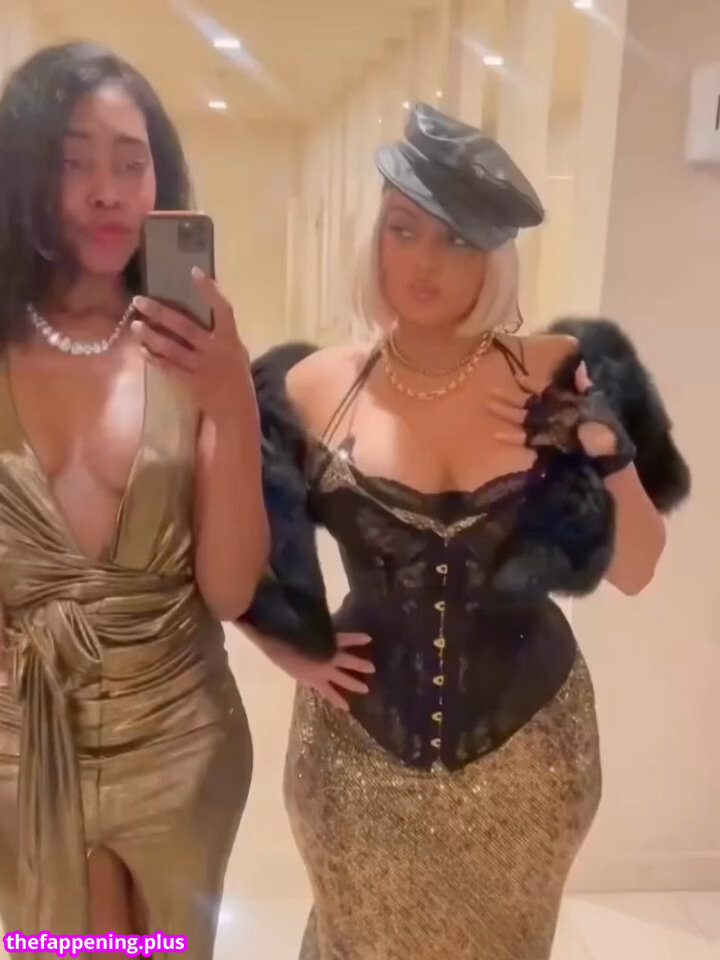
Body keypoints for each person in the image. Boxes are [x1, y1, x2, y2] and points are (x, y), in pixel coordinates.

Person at [242, 103, 690, 960]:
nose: (425, 261)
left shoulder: (555, 370)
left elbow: (637, 568)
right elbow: (236, 552)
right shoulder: (314, 386)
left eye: (456, 239)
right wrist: (285, 648)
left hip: (532, 755)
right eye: (404, 229)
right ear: (375, 236)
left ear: (495, 256)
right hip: (355, 759)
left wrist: (606, 449)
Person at [0, 42, 269, 956]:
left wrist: (233, 404)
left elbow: (228, 589)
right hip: (23, 737)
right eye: (73, 162)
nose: (107, 192)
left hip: (180, 734)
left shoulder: (190, 351)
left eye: (130, 162)